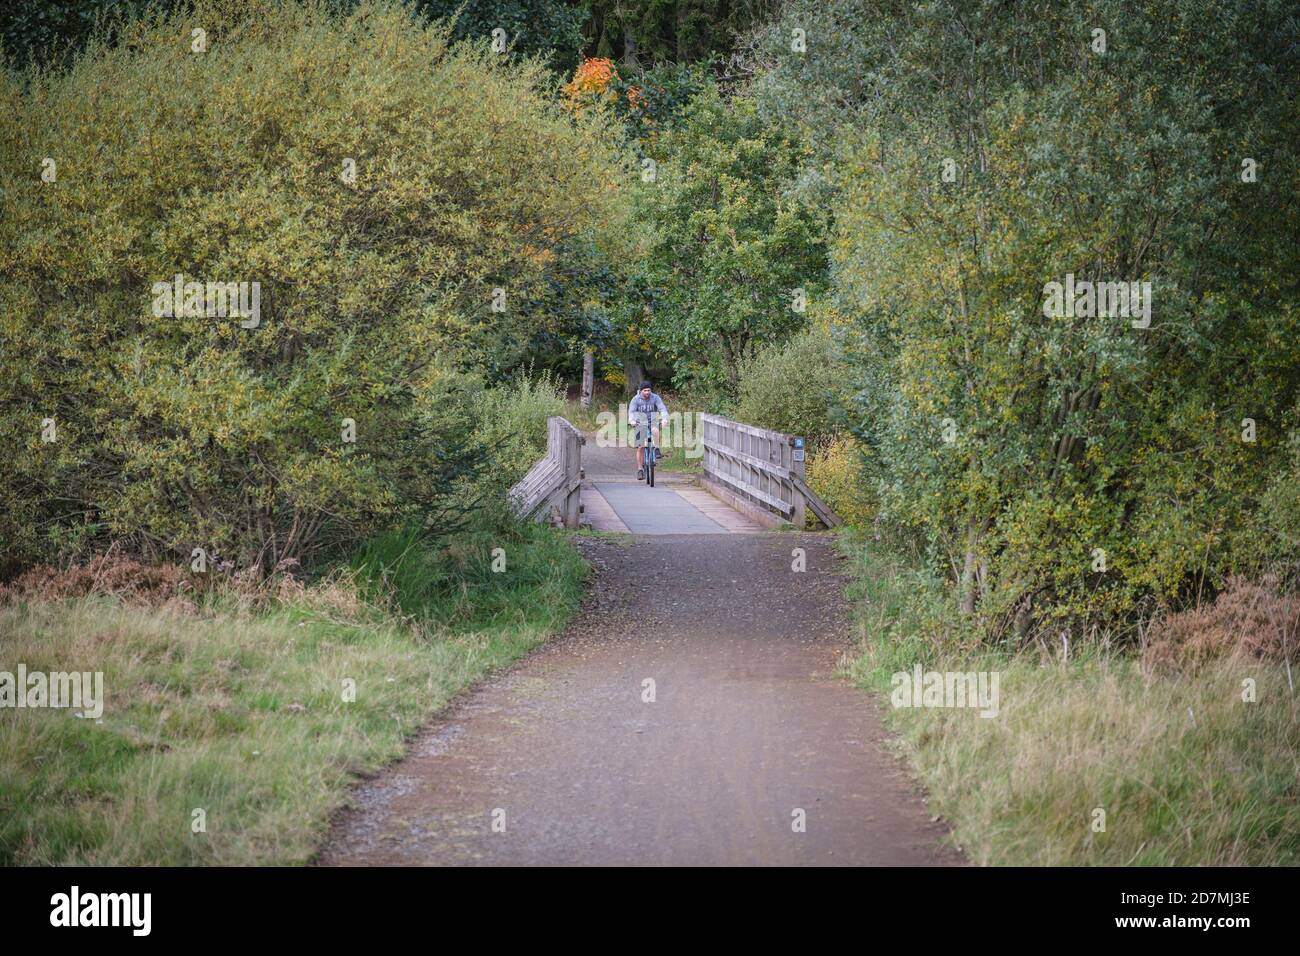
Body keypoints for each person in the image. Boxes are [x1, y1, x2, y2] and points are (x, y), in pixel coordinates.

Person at [628, 381, 669, 481]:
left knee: (655, 430)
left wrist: (664, 419)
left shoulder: (655, 397)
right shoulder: (635, 399)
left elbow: (662, 409)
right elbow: (632, 411)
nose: (647, 392)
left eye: (649, 390)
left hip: (652, 421)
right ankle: (640, 469)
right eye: (645, 390)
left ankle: (657, 448)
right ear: (641, 390)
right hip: (640, 423)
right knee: (641, 446)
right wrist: (632, 421)